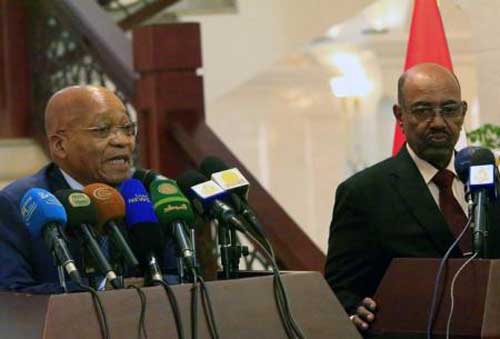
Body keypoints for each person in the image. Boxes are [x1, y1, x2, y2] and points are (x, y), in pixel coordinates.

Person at [324, 63, 500, 332]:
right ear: (400, 115)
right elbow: (340, 289)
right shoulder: (364, 192)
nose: (439, 122)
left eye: (449, 109)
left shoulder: (488, 180)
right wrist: (352, 309)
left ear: (463, 113)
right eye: (423, 110)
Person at [0, 85, 175, 293]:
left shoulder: (143, 196)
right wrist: (103, 291)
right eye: (102, 130)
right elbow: (11, 295)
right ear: (60, 146)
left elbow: (179, 275)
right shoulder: (17, 205)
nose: (122, 141)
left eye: (128, 129)